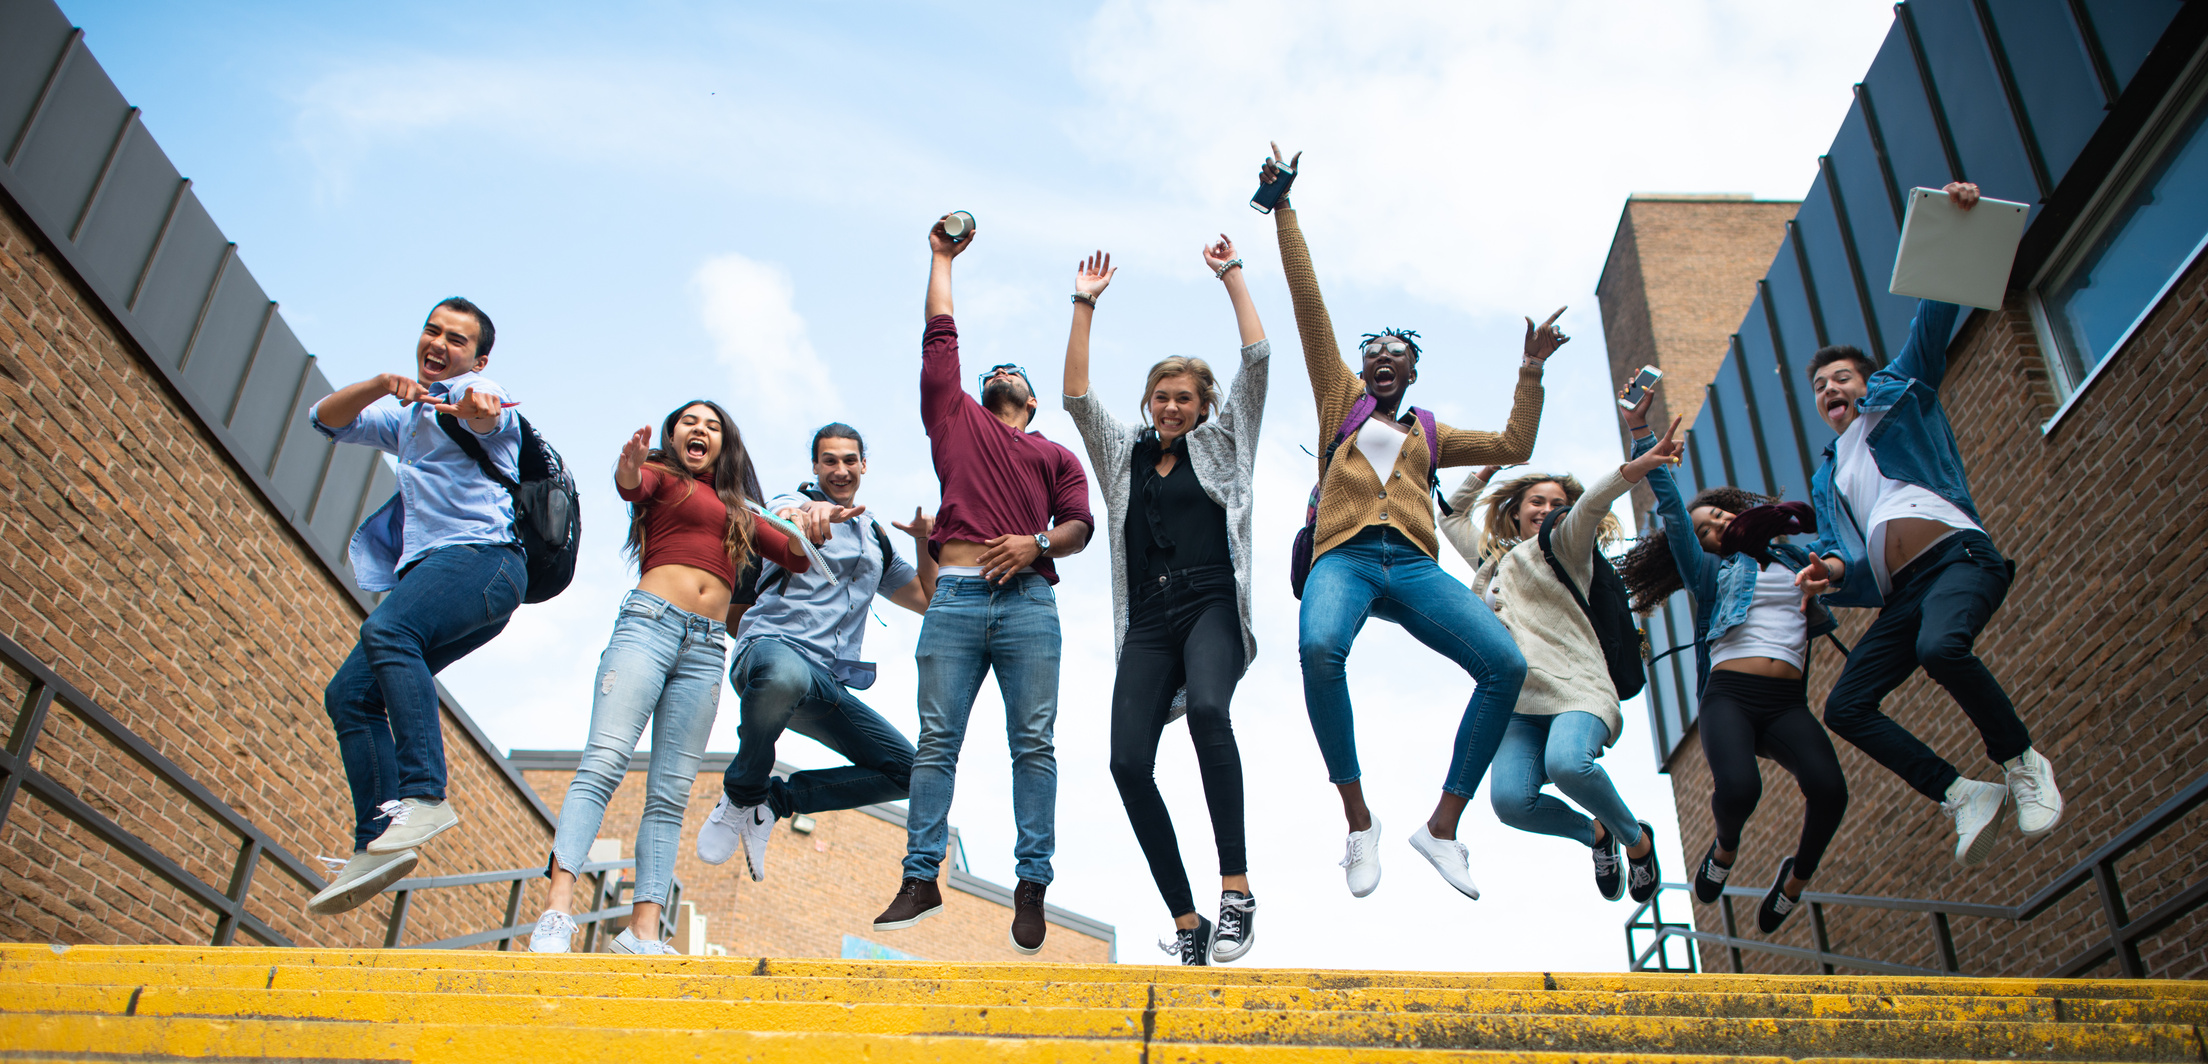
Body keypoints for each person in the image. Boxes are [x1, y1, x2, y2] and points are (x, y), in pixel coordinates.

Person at [1261, 144, 1564, 902]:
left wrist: (1530, 371)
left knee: (1505, 665)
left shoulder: (1429, 431)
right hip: (1346, 559)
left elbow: (1514, 445)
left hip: (1419, 567)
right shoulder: (1342, 401)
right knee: (1321, 647)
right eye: (1374, 352)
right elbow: (1309, 303)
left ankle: (1442, 826)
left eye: (1396, 352)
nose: (1381, 357)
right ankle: (1359, 821)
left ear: (1414, 371)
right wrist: (1286, 208)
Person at [1793, 180, 2062, 868]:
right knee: (1847, 707)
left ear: (1868, 380)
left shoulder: (1903, 397)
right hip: (1902, 592)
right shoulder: (1829, 476)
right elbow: (1845, 557)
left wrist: (1957, 220)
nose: (1831, 391)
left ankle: (2022, 762)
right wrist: (1828, 572)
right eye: (1821, 388)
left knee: (1945, 650)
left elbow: (1932, 320)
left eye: (1842, 379)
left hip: (1956, 559)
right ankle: (1961, 794)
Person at [871, 213, 1094, 955]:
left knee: (1033, 743)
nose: (1001, 373)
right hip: (959, 600)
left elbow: (1079, 527)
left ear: (1031, 403)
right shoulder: (955, 420)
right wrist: (941, 258)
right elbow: (941, 343)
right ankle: (920, 874)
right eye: (991, 372)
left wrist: (1032, 546)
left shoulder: (1055, 454)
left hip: (1029, 603)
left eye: (1016, 376)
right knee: (936, 741)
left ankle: (1032, 884)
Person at [527, 400, 810, 955]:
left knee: (670, 795)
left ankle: (643, 932)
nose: (700, 430)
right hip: (649, 627)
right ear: (673, 436)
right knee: (603, 763)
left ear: (726, 444)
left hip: (706, 648)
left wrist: (804, 523)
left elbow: (796, 558)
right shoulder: (663, 477)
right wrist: (629, 464)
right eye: (689, 423)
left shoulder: (743, 511)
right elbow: (630, 483)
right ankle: (557, 911)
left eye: (712, 425)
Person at [1061, 236, 1270, 965]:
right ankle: (1188, 923)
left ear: (1204, 404)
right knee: (1126, 764)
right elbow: (1076, 399)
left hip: (1211, 601)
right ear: (1149, 402)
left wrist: (1231, 277)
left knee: (1211, 713)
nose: (1173, 406)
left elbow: (1259, 363)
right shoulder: (1124, 455)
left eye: (1185, 397)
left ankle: (1236, 891)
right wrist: (1084, 305)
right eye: (1162, 396)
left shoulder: (1225, 442)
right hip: (1149, 619)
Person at [306, 297, 528, 916]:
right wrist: (380, 383)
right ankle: (375, 846)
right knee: (349, 695)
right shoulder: (405, 415)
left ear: (477, 358)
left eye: (456, 340)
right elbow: (325, 420)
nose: (439, 344)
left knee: (387, 630)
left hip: (485, 562)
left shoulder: (482, 394)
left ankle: (426, 795)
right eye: (433, 331)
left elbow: (490, 417)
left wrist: (477, 401)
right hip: (442, 577)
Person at [1613, 382, 1848, 933]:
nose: (1714, 524)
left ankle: (1795, 880)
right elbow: (1671, 507)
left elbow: (1841, 560)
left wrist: (1825, 581)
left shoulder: (1794, 558)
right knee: (1741, 789)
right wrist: (1642, 434)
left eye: (1717, 515)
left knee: (1831, 791)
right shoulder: (1711, 574)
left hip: (1787, 701)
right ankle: (1724, 849)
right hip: (1731, 698)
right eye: (1704, 530)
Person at [1439, 419, 1680, 909]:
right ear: (1518, 512)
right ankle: (1595, 834)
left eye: (1556, 504)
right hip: (1518, 704)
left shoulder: (1566, 547)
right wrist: (1488, 467)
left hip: (1577, 689)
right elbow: (1451, 518)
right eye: (1537, 502)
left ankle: (1637, 841)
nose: (1547, 509)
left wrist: (1634, 470)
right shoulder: (1494, 559)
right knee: (1510, 802)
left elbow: (1592, 504)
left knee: (1568, 764)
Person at [695, 422, 937, 881]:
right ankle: (741, 793)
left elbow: (927, 600)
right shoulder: (792, 501)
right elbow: (784, 514)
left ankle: (773, 802)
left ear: (864, 465)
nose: (840, 470)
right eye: (830, 460)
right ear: (816, 466)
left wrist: (925, 542)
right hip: (769, 653)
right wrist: (806, 516)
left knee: (911, 772)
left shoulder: (875, 539)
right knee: (786, 674)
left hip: (823, 682)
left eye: (849, 460)